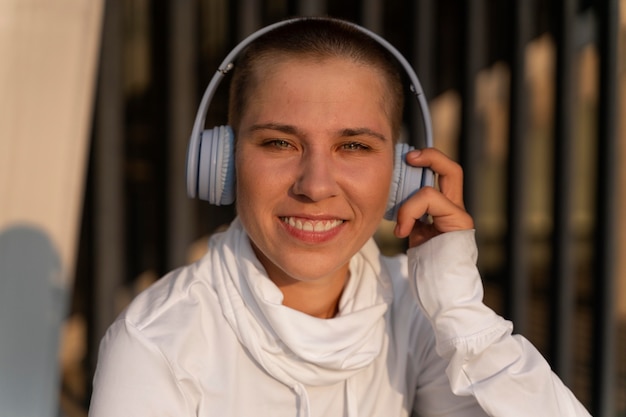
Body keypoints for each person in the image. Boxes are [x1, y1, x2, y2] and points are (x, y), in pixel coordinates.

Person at [88, 17, 591, 417]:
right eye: (279, 143)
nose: (316, 185)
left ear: (402, 176)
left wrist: (461, 311)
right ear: (223, 162)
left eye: (353, 145)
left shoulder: (415, 310)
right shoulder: (156, 344)